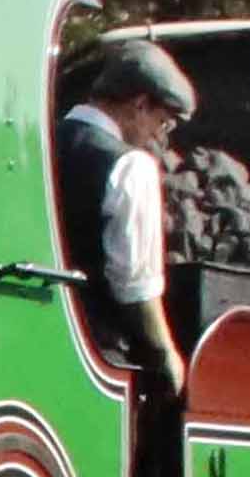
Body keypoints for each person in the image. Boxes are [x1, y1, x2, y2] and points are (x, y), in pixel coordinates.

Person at [58, 34, 199, 403]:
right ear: (139, 104)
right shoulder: (130, 166)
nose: (159, 136)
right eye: (163, 122)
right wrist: (167, 354)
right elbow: (134, 286)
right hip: (99, 350)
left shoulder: (40, 140)